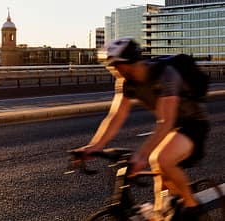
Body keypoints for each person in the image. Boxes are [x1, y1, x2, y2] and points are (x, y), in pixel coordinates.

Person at [73, 37, 209, 220]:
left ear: (128, 63)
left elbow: (166, 121)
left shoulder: (165, 75)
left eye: (114, 65)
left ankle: (192, 207)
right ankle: (165, 211)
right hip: (173, 128)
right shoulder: (126, 82)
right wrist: (94, 146)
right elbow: (116, 116)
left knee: (160, 159)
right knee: (160, 192)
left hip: (194, 124)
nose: (111, 70)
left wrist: (141, 155)